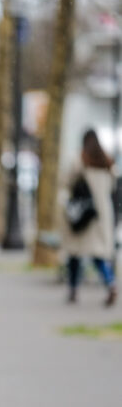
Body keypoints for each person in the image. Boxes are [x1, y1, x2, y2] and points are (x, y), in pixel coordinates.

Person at [61, 128, 117, 306]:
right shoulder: (107, 161)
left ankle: (73, 289)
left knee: (75, 253)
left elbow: (66, 183)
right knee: (98, 255)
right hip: (102, 213)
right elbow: (113, 187)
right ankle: (110, 284)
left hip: (83, 213)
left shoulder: (80, 159)